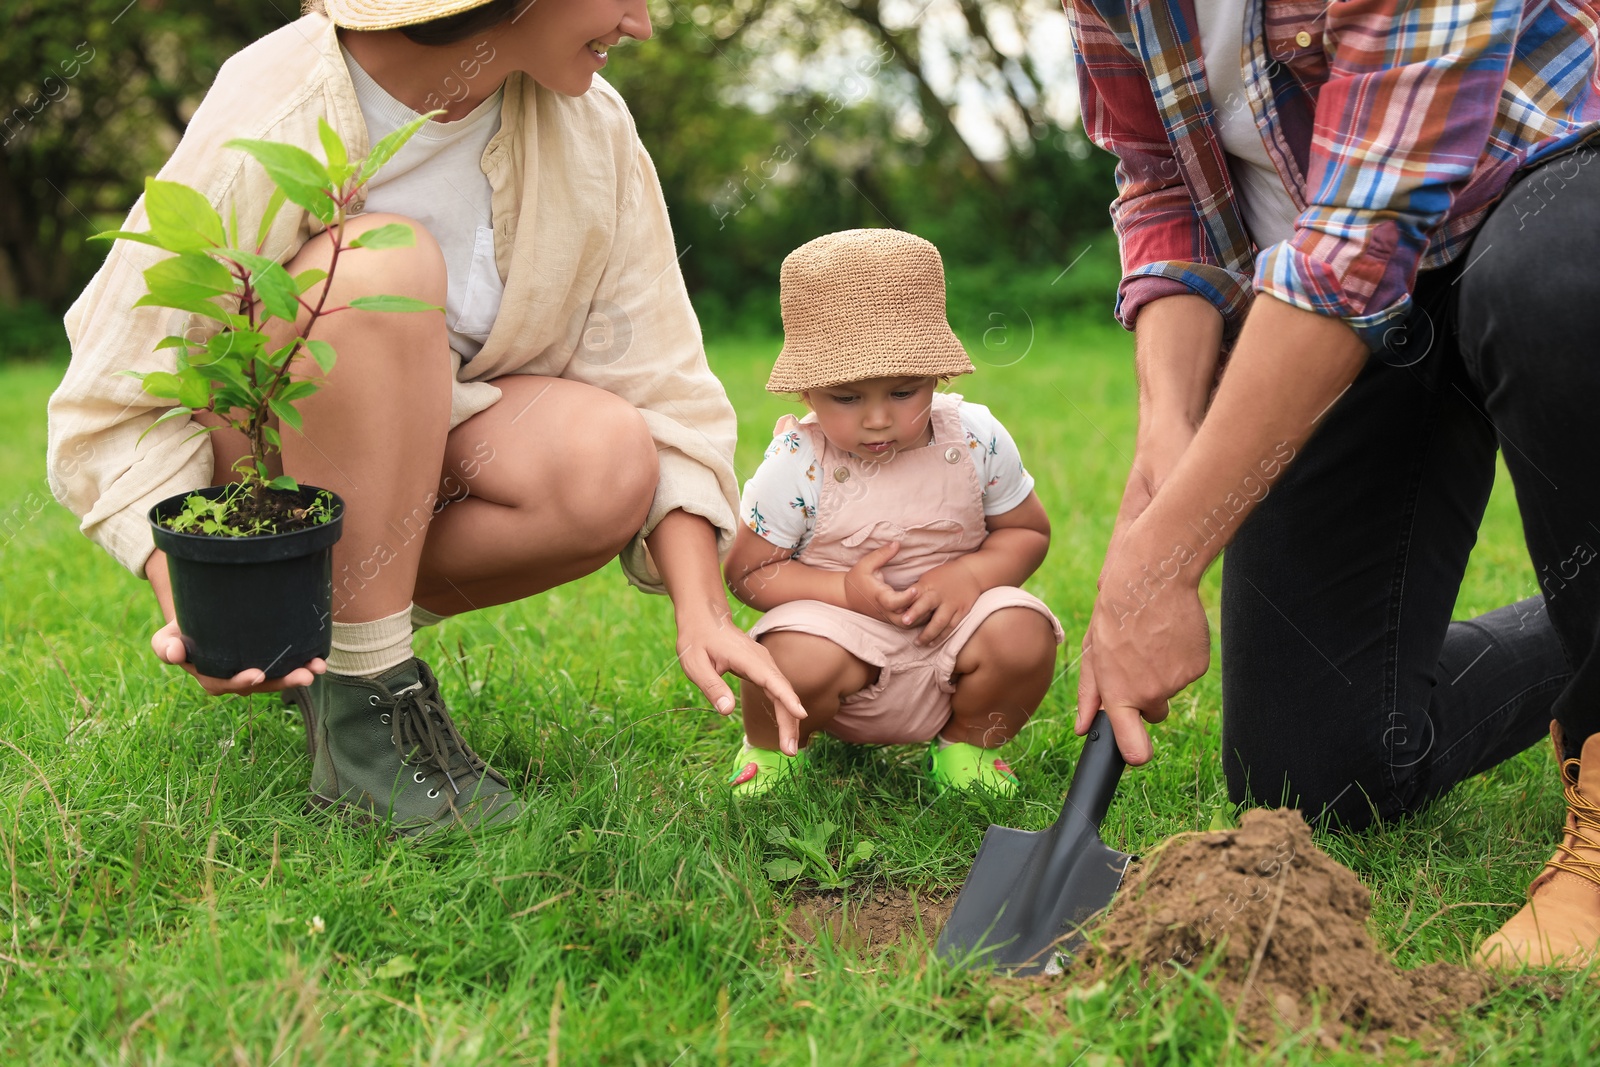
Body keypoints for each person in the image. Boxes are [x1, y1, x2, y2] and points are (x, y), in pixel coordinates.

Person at [46, 0, 804, 836]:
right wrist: (196, 594)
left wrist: (701, 608)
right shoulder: (281, 98)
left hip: (417, 477)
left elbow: (659, 379)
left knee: (609, 460)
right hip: (268, 482)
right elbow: (112, 400)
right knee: (380, 265)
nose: (641, 23)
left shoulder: (592, 127)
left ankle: (329, 661)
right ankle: (366, 710)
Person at [1060, 0, 1599, 964]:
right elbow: (1160, 187)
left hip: (1550, 196)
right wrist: (1167, 427)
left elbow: (1365, 232)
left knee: (1552, 281)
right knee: (1312, 772)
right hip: (1327, 299)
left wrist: (1163, 561)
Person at [722, 229, 1063, 797]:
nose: (878, 419)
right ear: (806, 394)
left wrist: (971, 575)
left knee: (1024, 633)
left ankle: (967, 749)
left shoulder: (975, 437)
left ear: (939, 375)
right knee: (787, 658)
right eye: (848, 398)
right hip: (840, 640)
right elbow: (749, 572)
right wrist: (845, 594)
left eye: (904, 392)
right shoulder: (797, 460)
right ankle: (775, 750)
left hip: (954, 634)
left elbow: (1026, 531)